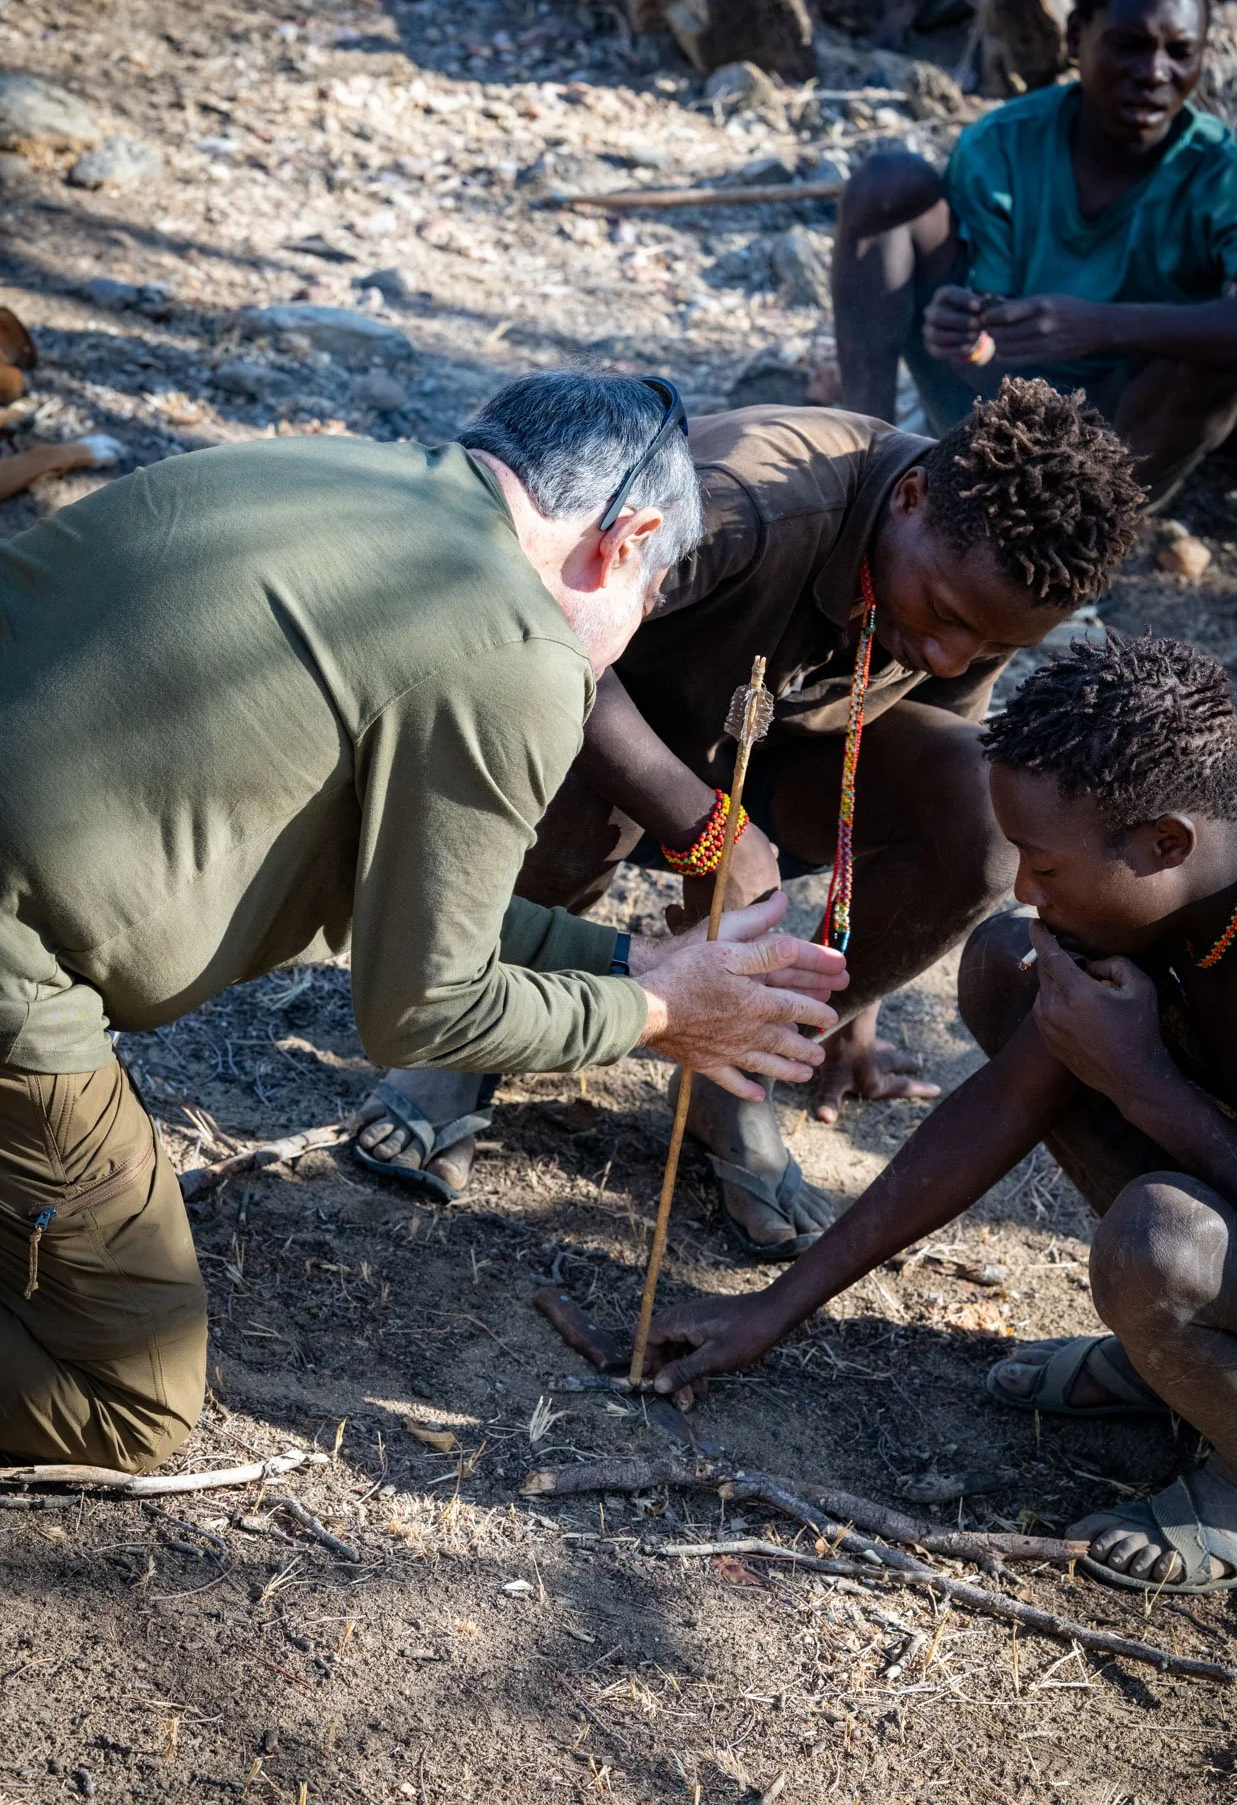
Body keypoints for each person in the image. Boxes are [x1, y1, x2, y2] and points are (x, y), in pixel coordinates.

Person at [0, 370, 850, 1472]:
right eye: (649, 592)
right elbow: (422, 1011)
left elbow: (410, 911)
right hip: (16, 976)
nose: (625, 639)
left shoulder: (324, 465)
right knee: (131, 1398)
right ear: (622, 537)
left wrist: (638, 958)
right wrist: (654, 1013)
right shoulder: (517, 648)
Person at [352, 376, 1145, 1258]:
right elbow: (542, 628)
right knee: (573, 783)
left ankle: (743, 1063)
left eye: (996, 646)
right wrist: (707, 826)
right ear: (911, 496)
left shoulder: (968, 588)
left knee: (978, 819)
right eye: (946, 617)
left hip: (769, 758)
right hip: (598, 718)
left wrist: (857, 989)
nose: (948, 654)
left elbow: (932, 760)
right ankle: (476, 1022)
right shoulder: (750, 502)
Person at [644, 634, 1237, 1594]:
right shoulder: (1182, 895)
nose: (1025, 887)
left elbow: (1154, 1103)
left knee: (1162, 1245)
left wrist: (1149, 1084)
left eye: (1047, 866)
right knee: (1009, 966)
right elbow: (1006, 1101)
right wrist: (776, 1308)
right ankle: (1185, 1365)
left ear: (1163, 845)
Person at [832, 0, 1237, 508]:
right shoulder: (1002, 145)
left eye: (1179, 52)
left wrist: (1103, 324)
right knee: (888, 182)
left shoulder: (1219, 173)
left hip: (1133, 424)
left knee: (1230, 355)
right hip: (1000, 397)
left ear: (1202, 56)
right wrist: (961, 330)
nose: (1153, 71)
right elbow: (989, 343)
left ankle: (1099, 521)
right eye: (1129, 44)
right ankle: (863, 467)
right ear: (1074, 37)